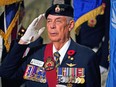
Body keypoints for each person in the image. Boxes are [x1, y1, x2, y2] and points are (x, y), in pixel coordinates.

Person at [0, 4, 101, 87]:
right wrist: (23, 41)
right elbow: (6, 73)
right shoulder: (35, 53)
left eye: (58, 21)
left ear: (70, 25)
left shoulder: (86, 57)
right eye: (49, 21)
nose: (52, 26)